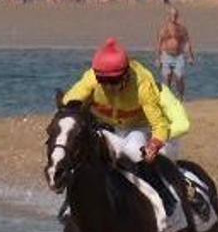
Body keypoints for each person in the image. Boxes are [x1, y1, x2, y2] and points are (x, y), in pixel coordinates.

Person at [61, 38, 186, 217]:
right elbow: (69, 104)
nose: (109, 87)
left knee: (133, 150)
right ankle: (71, 201)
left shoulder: (143, 84)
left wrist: (154, 145)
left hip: (139, 127)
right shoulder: (91, 79)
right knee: (82, 150)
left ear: (126, 75)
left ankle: (165, 197)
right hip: (107, 126)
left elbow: (160, 125)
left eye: (114, 82)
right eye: (104, 82)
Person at [156, 7, 196, 98]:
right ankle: (168, 98)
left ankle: (181, 97)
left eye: (175, 15)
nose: (174, 16)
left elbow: (187, 42)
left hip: (179, 56)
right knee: (167, 78)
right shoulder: (163, 29)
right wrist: (158, 59)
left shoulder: (181, 28)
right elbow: (159, 44)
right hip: (166, 55)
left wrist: (190, 56)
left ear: (177, 16)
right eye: (172, 15)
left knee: (179, 77)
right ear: (169, 16)